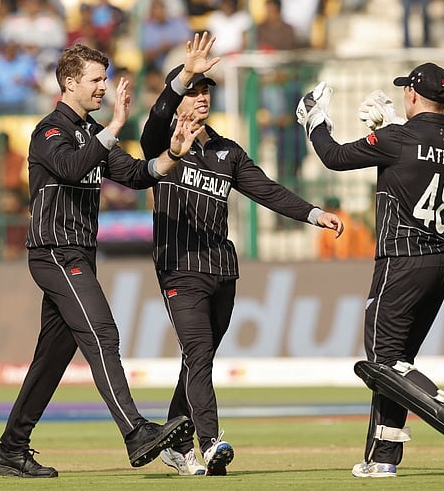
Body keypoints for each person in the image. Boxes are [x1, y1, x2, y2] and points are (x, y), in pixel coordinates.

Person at [0, 43, 199, 478]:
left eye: (104, 79)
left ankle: (11, 449)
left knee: (51, 358)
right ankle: (135, 431)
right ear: (69, 83)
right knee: (103, 332)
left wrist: (173, 154)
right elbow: (69, 167)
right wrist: (116, 126)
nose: (104, 87)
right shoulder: (50, 131)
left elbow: (138, 176)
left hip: (77, 253)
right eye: (96, 80)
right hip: (55, 252)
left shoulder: (93, 134)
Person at [139, 32, 344, 477]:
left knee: (201, 357)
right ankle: (210, 443)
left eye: (204, 91)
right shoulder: (161, 145)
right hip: (179, 268)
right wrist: (185, 74)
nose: (201, 98)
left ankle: (173, 440)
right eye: (192, 91)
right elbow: (156, 117)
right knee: (197, 352)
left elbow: (266, 190)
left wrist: (314, 214)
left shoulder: (227, 151)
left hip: (221, 271)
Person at [296, 62, 444, 478]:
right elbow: (421, 153)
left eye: (405, 92)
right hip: (440, 261)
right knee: (399, 362)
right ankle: (382, 457)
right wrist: (394, 124)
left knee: (382, 361)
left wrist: (315, 120)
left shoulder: (398, 137)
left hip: (401, 259)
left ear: (414, 95)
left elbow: (334, 156)